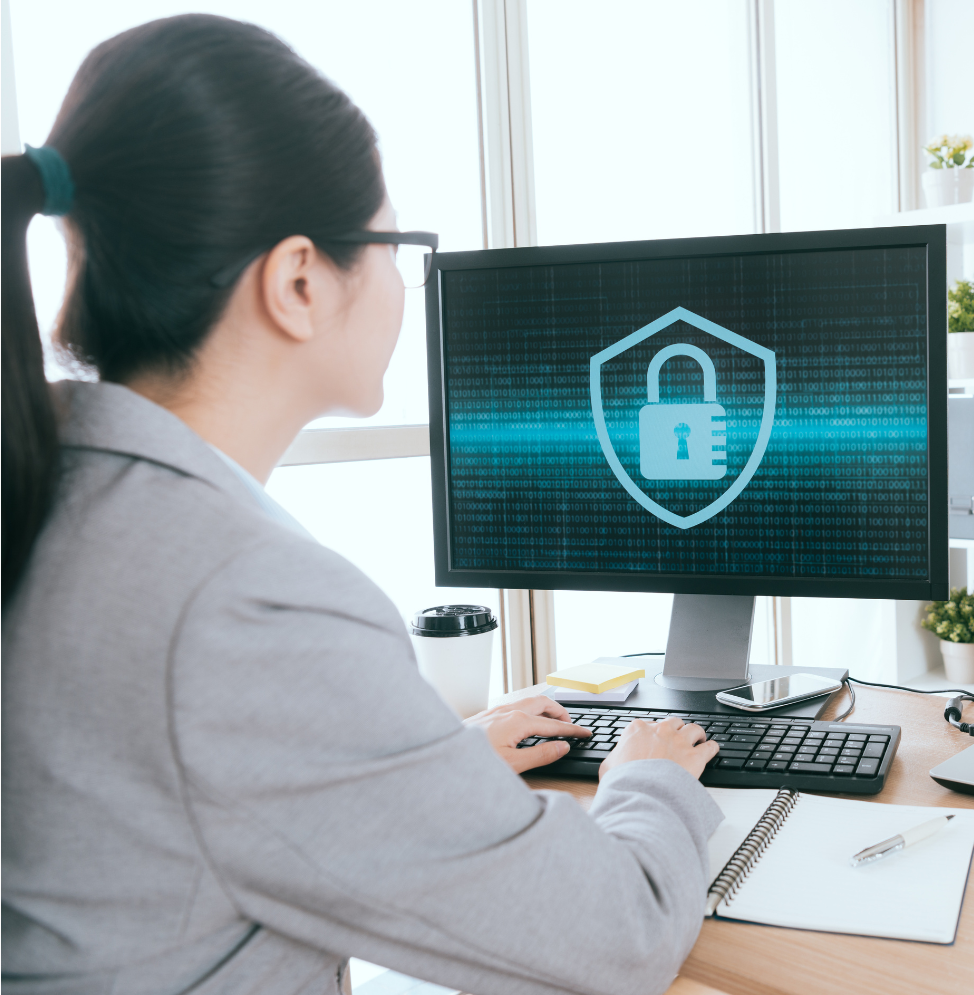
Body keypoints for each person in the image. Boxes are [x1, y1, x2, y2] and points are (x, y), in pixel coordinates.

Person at [1, 15, 721, 995]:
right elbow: (620, 935)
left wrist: (439, 764)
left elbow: (185, 788)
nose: (401, 281)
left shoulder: (52, 494)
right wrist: (657, 774)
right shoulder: (241, 596)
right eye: (395, 243)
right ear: (298, 279)